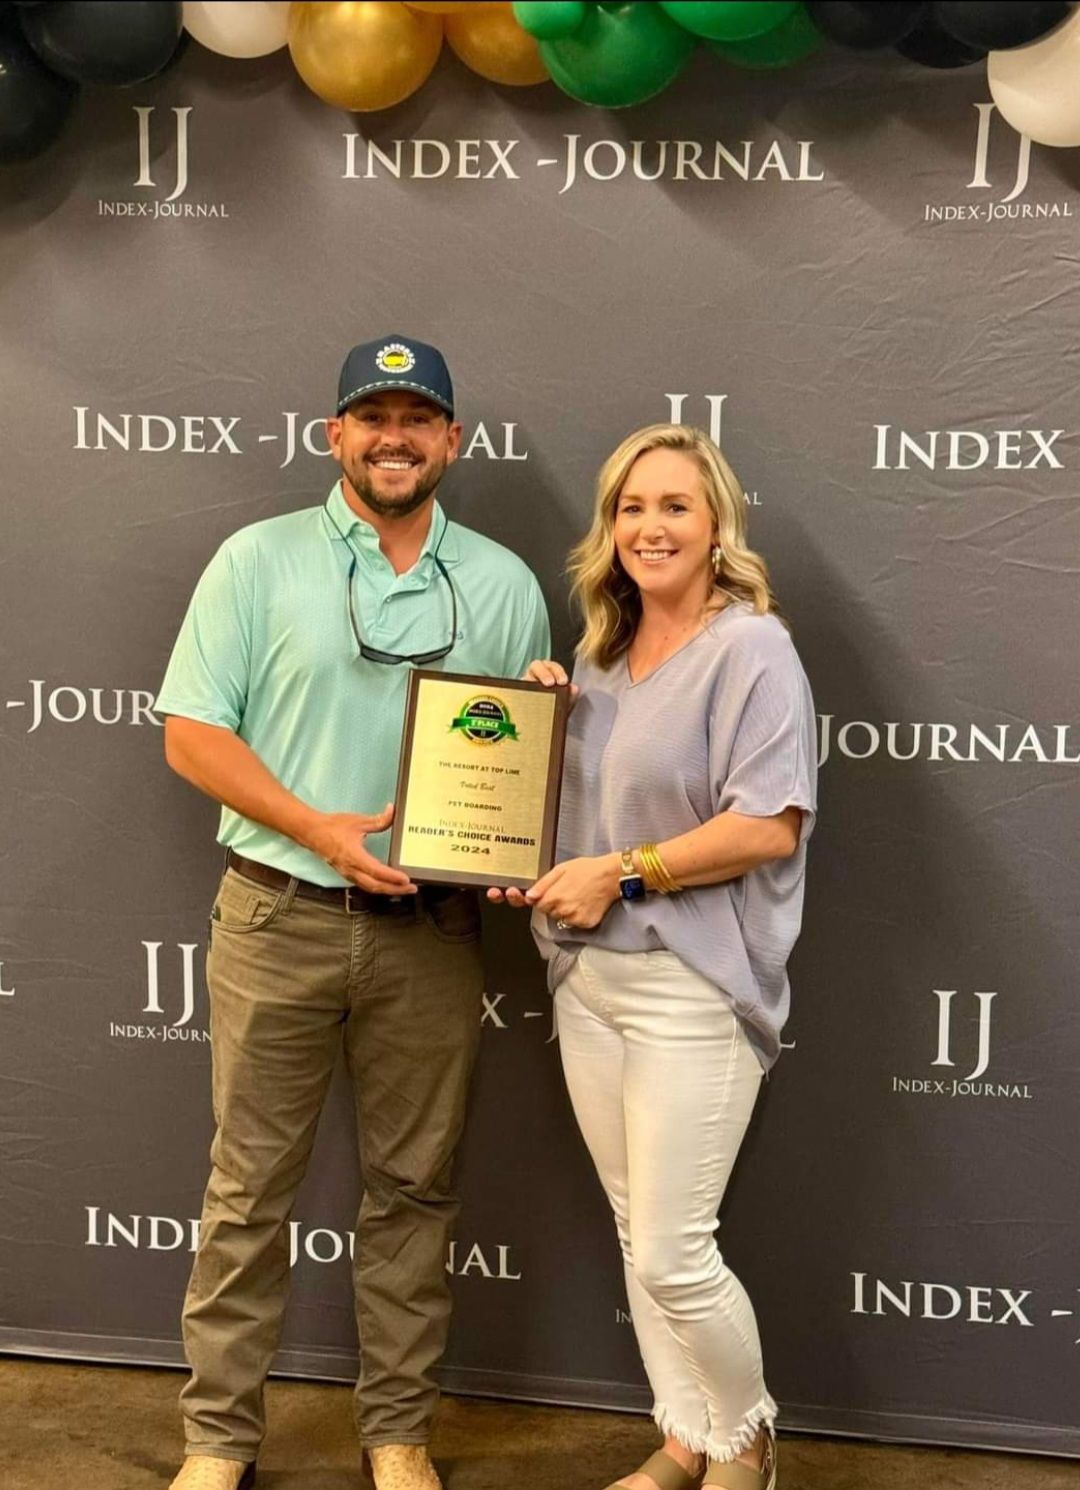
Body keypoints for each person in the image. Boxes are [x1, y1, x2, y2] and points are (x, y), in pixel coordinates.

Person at [155, 336, 550, 1490]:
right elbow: (191, 730)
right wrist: (316, 824)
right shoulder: (255, 559)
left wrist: (533, 771)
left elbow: (523, 767)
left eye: (417, 417)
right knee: (245, 1194)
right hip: (277, 912)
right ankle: (217, 1441)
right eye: (371, 416)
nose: (394, 436)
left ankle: (396, 1431)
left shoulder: (504, 580)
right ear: (333, 434)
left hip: (428, 937)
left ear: (452, 441)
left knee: (417, 1192)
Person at [503, 423, 816, 1490]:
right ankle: (684, 1436)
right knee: (641, 1233)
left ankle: (748, 1439)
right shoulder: (593, 656)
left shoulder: (753, 648)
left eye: (675, 504)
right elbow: (572, 826)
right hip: (590, 978)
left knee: (676, 1250)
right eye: (632, 507)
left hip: (695, 982)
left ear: (718, 521)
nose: (651, 525)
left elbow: (768, 824)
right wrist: (538, 750)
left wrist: (619, 871)